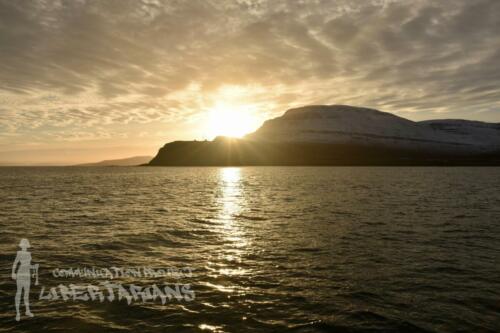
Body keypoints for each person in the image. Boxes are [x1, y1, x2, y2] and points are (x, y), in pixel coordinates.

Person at [11, 238, 34, 321]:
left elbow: (28, 265)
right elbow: (15, 263)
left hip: (27, 274)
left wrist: (34, 267)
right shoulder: (19, 253)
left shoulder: (29, 254)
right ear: (21, 246)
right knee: (19, 293)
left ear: (27, 246)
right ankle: (18, 313)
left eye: (25, 245)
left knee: (26, 294)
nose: (24, 246)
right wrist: (13, 272)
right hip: (20, 273)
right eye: (23, 245)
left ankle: (27, 311)